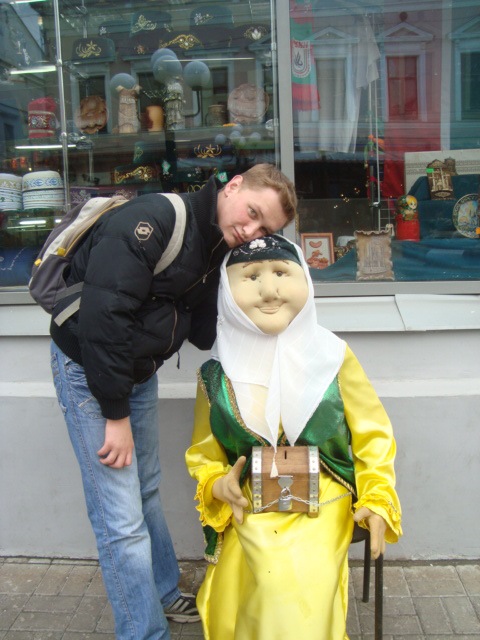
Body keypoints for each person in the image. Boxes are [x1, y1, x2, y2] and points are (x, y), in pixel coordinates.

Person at [49, 164, 297, 640]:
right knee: (120, 518)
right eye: (252, 214)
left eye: (265, 229)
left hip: (136, 370)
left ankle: (163, 590)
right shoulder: (152, 221)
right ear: (233, 187)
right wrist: (114, 414)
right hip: (89, 370)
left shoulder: (217, 244)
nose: (252, 231)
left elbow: (203, 330)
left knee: (145, 488)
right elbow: (104, 318)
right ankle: (143, 632)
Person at [186, 234, 402, 640]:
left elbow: (373, 435)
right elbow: (204, 453)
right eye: (251, 277)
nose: (269, 290)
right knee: (246, 585)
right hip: (250, 502)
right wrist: (217, 485)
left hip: (325, 498)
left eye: (281, 273)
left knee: (289, 585)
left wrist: (377, 498)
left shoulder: (332, 356)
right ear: (227, 292)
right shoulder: (215, 374)